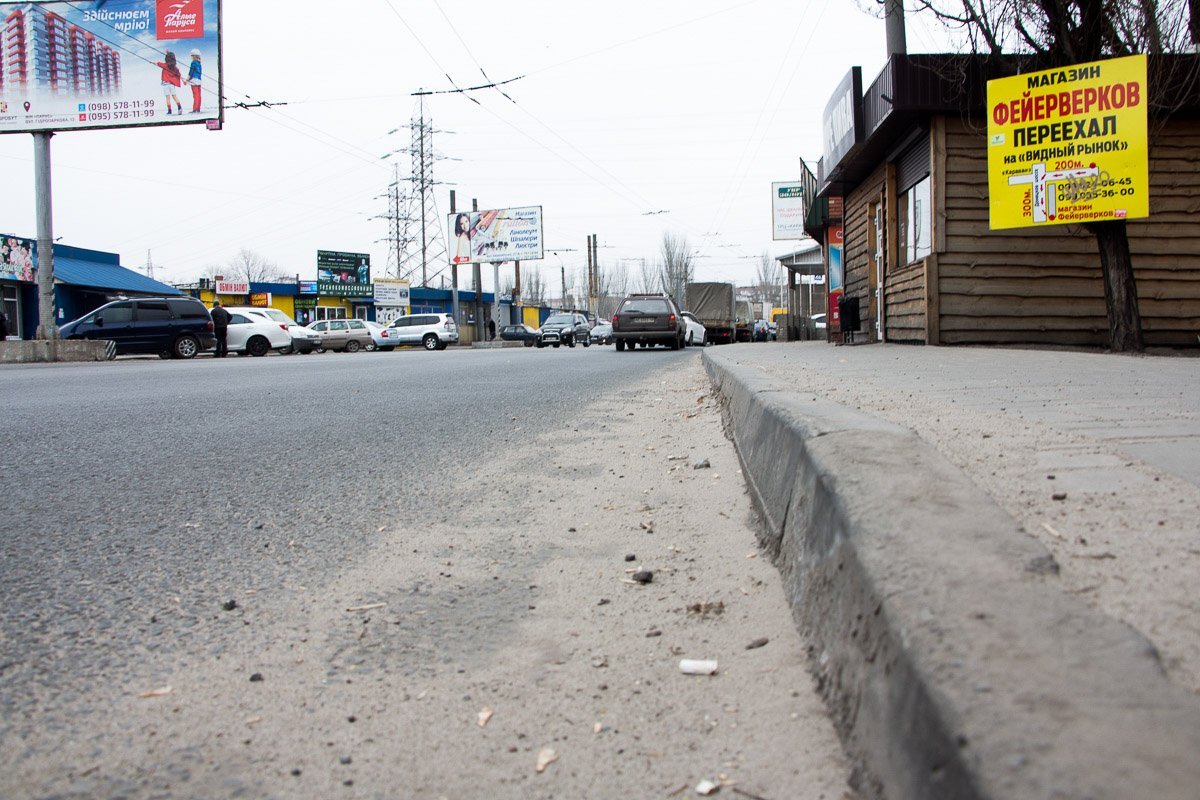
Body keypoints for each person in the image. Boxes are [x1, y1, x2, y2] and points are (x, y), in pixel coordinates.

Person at [156, 51, 183, 116]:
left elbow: (157, 63)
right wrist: (183, 80)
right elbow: (179, 75)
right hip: (172, 84)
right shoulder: (175, 68)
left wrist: (152, 62)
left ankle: (169, 111)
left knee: (168, 98)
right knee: (174, 96)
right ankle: (179, 107)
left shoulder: (165, 65)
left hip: (165, 84)